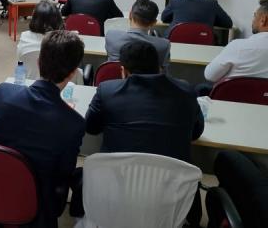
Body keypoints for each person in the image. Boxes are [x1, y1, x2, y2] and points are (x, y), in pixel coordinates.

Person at [85, 40, 204, 226]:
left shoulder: (107, 91)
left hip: (116, 191)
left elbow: (91, 128)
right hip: (168, 196)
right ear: (159, 67)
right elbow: (196, 132)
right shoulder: (186, 91)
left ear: (123, 70)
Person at [0, 30, 86, 227]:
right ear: (73, 73)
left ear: (39, 62)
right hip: (37, 204)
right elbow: (64, 172)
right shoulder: (73, 122)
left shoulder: (4, 92)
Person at [201, 3, 268, 93]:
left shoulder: (238, 46)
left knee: (200, 88)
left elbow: (210, 75)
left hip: (228, 101)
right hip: (263, 105)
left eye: (254, 16)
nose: (253, 20)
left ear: (263, 20)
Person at [105, 0, 171, 70]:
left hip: (115, 80)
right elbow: (163, 74)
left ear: (130, 15)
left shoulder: (111, 36)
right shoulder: (163, 45)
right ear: (154, 22)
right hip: (146, 81)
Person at [161, 0, 232, 35]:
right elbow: (228, 23)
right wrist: (210, 20)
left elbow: (164, 18)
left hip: (176, 41)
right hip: (203, 43)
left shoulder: (175, 1)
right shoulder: (212, 3)